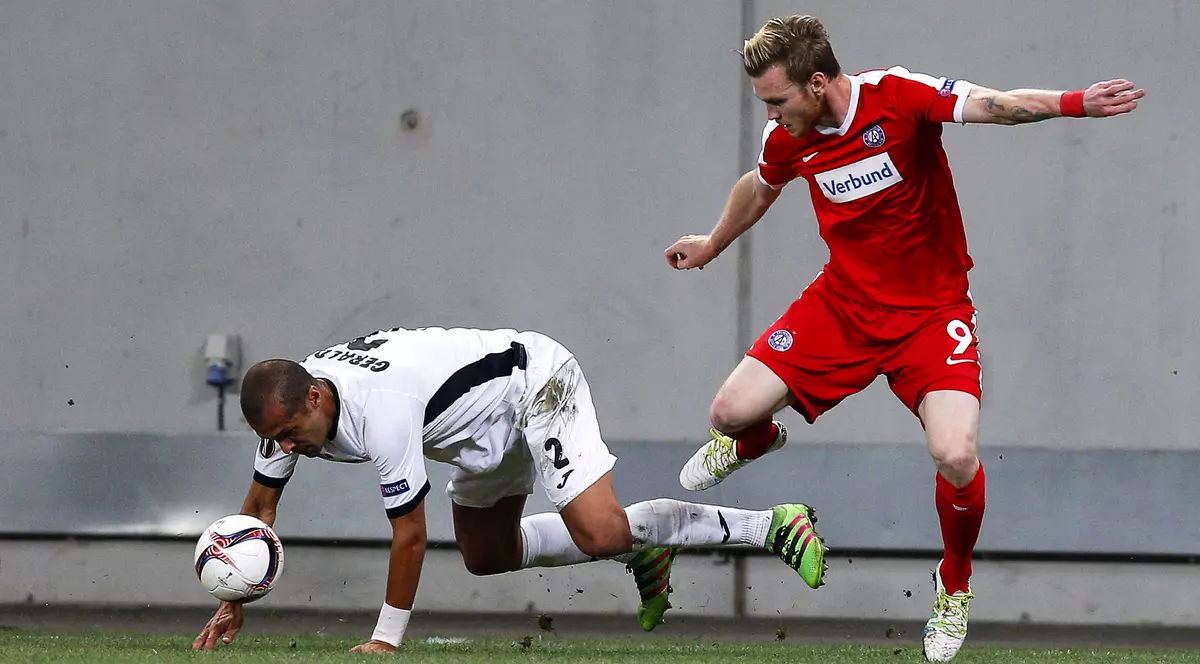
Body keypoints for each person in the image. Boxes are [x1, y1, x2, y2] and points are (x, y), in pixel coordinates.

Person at [664, 14, 1143, 663]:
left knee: (955, 452)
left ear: (818, 81)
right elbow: (763, 184)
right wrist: (713, 242)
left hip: (930, 312)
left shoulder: (897, 96)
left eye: (777, 99)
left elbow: (992, 106)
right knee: (728, 412)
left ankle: (954, 586)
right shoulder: (790, 135)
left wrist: (1073, 104)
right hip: (843, 305)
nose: (771, 114)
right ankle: (757, 440)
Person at [192, 326, 827, 653]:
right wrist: (236, 594)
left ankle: (770, 524)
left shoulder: (380, 415)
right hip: (475, 428)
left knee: (599, 530)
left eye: (294, 433)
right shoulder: (286, 416)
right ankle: (643, 547)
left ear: (314, 396)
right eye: (277, 440)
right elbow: (258, 509)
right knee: (486, 556)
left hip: (535, 384)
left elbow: (410, 535)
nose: (290, 447)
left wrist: (387, 636)